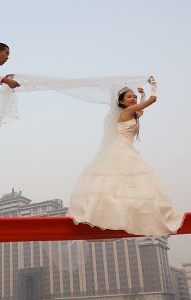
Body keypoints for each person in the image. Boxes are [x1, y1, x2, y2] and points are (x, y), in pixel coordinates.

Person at [67, 77, 185, 236]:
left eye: (134, 97)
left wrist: (141, 96)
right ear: (121, 102)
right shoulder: (127, 112)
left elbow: (141, 111)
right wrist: (153, 86)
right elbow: (153, 100)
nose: (133, 98)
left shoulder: (132, 113)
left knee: (126, 185)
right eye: (130, 97)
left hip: (126, 149)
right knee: (124, 183)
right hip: (121, 150)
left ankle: (124, 214)